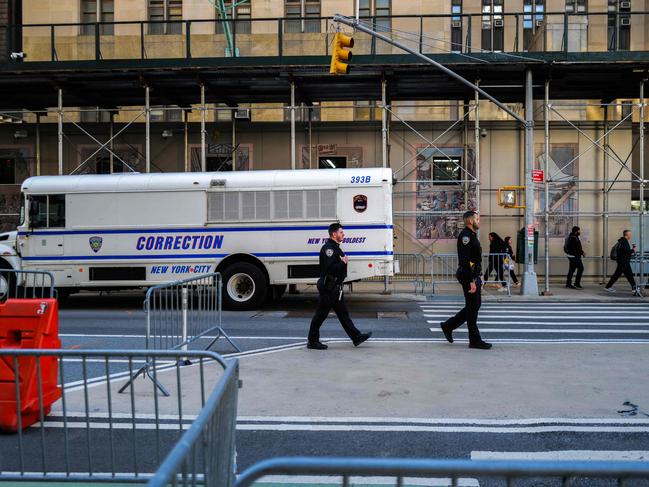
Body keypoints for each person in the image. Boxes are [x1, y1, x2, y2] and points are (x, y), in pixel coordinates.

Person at [307, 223, 372, 350]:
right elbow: (329, 268)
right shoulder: (329, 249)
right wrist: (343, 262)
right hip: (329, 288)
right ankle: (312, 341)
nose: (343, 234)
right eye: (341, 232)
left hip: (335, 287)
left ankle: (356, 337)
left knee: (343, 314)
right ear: (334, 234)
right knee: (320, 315)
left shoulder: (335, 247)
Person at [439, 211, 492, 350]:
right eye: (477, 219)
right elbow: (465, 261)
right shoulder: (465, 237)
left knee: (474, 306)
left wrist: (480, 275)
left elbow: (475, 260)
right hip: (468, 276)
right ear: (469, 221)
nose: (479, 221)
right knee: (473, 307)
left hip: (474, 275)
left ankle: (448, 326)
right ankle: (474, 340)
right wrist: (471, 281)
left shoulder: (472, 235)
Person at [604, 230, 640, 295]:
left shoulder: (621, 241)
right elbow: (626, 252)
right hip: (624, 262)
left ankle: (608, 287)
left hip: (622, 261)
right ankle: (634, 288)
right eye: (630, 234)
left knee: (618, 275)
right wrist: (633, 250)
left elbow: (624, 251)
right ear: (627, 235)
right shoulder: (624, 242)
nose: (631, 236)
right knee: (629, 275)